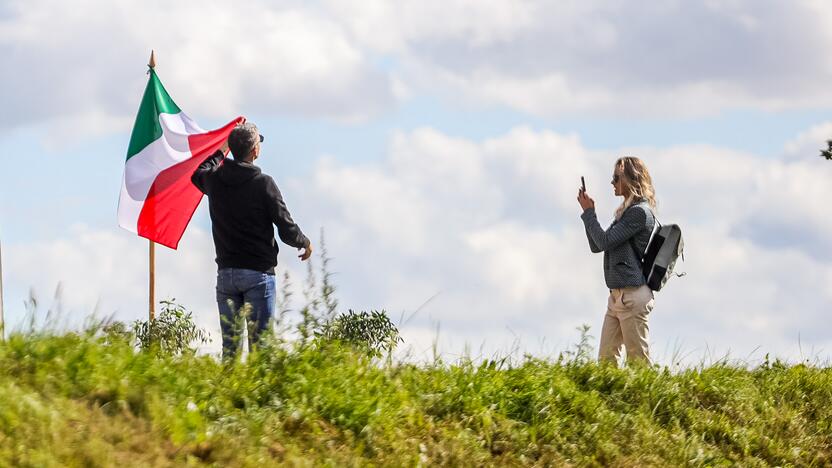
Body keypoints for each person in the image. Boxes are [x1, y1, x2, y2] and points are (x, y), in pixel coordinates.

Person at [192, 122, 312, 359]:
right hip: (258, 275)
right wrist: (305, 242)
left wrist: (222, 149)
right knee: (261, 352)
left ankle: (228, 395)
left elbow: (198, 173)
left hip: (226, 274)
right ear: (255, 150)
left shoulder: (215, 180)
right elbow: (285, 226)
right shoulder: (263, 184)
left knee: (230, 351)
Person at [577, 156, 657, 365]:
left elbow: (603, 241)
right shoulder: (626, 212)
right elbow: (597, 246)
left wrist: (588, 213)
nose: (612, 182)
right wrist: (589, 214)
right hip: (617, 297)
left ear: (631, 179)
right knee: (606, 362)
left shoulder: (639, 213)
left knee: (639, 364)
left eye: (616, 177)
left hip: (631, 296)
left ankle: (647, 398)